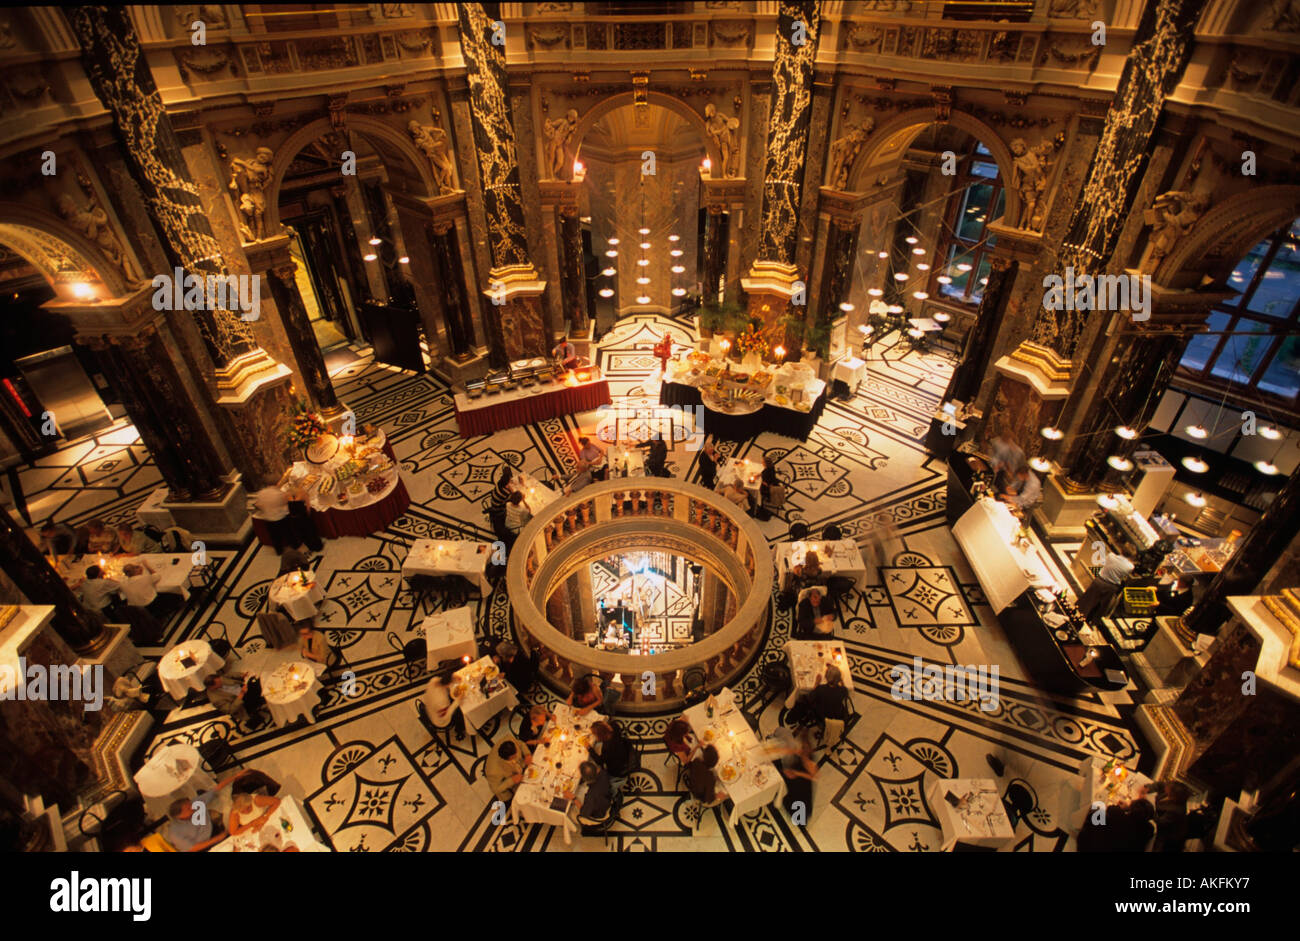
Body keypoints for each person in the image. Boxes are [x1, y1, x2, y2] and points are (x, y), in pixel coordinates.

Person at [1078, 550, 1135, 622]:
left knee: (1087, 600)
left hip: (1099, 582)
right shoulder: (1130, 566)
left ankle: (1078, 615)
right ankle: (1091, 621)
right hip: (1111, 587)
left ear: (1121, 551)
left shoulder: (1111, 556)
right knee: (1100, 606)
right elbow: (1124, 576)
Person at [119, 562, 164, 643]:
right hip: (150, 605)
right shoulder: (144, 578)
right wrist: (147, 565)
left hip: (134, 609)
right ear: (135, 570)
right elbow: (157, 576)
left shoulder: (122, 584)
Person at [808, 664, 850, 746]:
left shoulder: (821, 689)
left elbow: (811, 697)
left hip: (823, 717)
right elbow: (845, 692)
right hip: (838, 716)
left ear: (826, 677)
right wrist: (841, 682)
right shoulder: (843, 690)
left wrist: (816, 683)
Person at [422, 668, 466, 737]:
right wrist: (458, 700)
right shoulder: (441, 702)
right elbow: (447, 715)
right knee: (462, 711)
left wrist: (453, 676)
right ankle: (459, 729)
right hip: (440, 720)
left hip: (430, 708)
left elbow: (445, 679)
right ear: (448, 684)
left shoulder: (434, 680)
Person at [484, 737, 531, 801]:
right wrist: (511, 780)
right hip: (511, 784)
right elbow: (495, 789)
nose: (517, 756)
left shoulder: (510, 740)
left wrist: (527, 754)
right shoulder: (493, 772)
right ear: (507, 758)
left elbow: (521, 744)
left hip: (522, 769)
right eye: (514, 756)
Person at [569, 760, 613, 825]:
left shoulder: (591, 795)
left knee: (569, 812)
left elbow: (584, 813)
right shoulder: (603, 773)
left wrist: (573, 798)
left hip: (598, 814)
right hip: (606, 799)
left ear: (586, 779)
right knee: (580, 789)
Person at [590, 720, 633, 785]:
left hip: (618, 769)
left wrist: (589, 748)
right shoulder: (615, 727)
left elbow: (599, 761)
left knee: (592, 763)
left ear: (600, 735)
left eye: (595, 735)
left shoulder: (607, 747)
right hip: (625, 752)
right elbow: (609, 724)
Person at [286, 485, 323, 553]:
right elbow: (308, 508)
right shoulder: (303, 493)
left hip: (294, 519)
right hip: (303, 517)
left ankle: (309, 546)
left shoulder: (286, 495)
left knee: (302, 534)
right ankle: (317, 546)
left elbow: (288, 508)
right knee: (310, 532)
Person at [487, 465, 514, 543]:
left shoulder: (499, 484)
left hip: (493, 505)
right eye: (509, 481)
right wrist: (512, 490)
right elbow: (513, 498)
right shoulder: (505, 492)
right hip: (499, 510)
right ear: (506, 484)